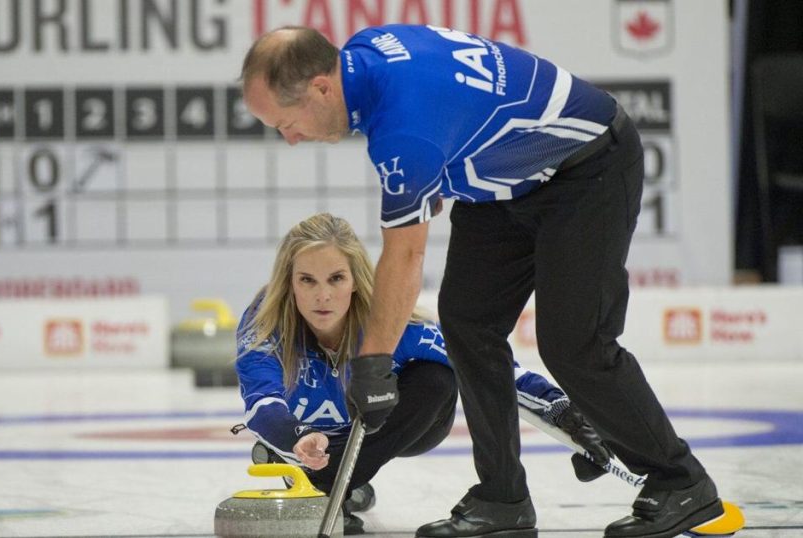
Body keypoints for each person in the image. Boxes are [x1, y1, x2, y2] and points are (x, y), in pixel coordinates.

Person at [240, 25, 725, 538]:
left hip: (586, 168)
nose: (289, 139)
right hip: (500, 181)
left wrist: (372, 364)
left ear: (320, 87)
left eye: (287, 124)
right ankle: (502, 499)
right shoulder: (365, 57)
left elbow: (405, 256)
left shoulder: (404, 128)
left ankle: (682, 482)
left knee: (574, 344)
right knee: (467, 324)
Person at [234, 213, 608, 535]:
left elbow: (488, 367)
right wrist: (295, 437)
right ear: (289, 282)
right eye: (307, 281)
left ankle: (332, 484)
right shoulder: (265, 326)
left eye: (336, 278)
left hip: (387, 430)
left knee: (437, 376)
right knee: (292, 438)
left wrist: (565, 413)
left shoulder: (391, 324)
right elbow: (261, 403)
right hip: (306, 439)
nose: (323, 296)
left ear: (355, 279)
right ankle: (340, 479)